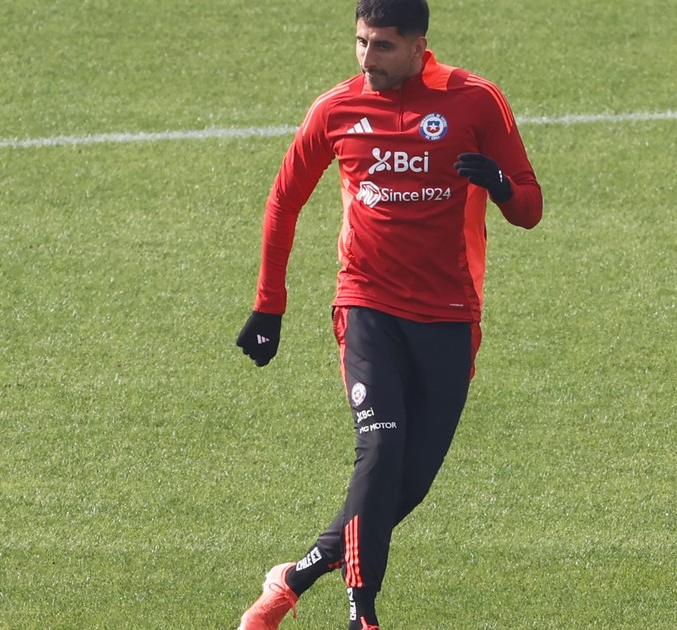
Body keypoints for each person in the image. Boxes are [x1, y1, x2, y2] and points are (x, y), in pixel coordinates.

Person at [233, 1, 542, 628]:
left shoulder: (477, 101)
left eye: (383, 46)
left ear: (419, 45)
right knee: (379, 449)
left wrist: (502, 187)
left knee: (407, 483)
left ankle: (292, 578)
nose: (367, 59)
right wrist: (269, 306)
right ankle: (362, 611)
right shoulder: (336, 109)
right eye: (360, 42)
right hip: (367, 304)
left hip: (451, 314)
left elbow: (530, 210)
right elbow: (284, 201)